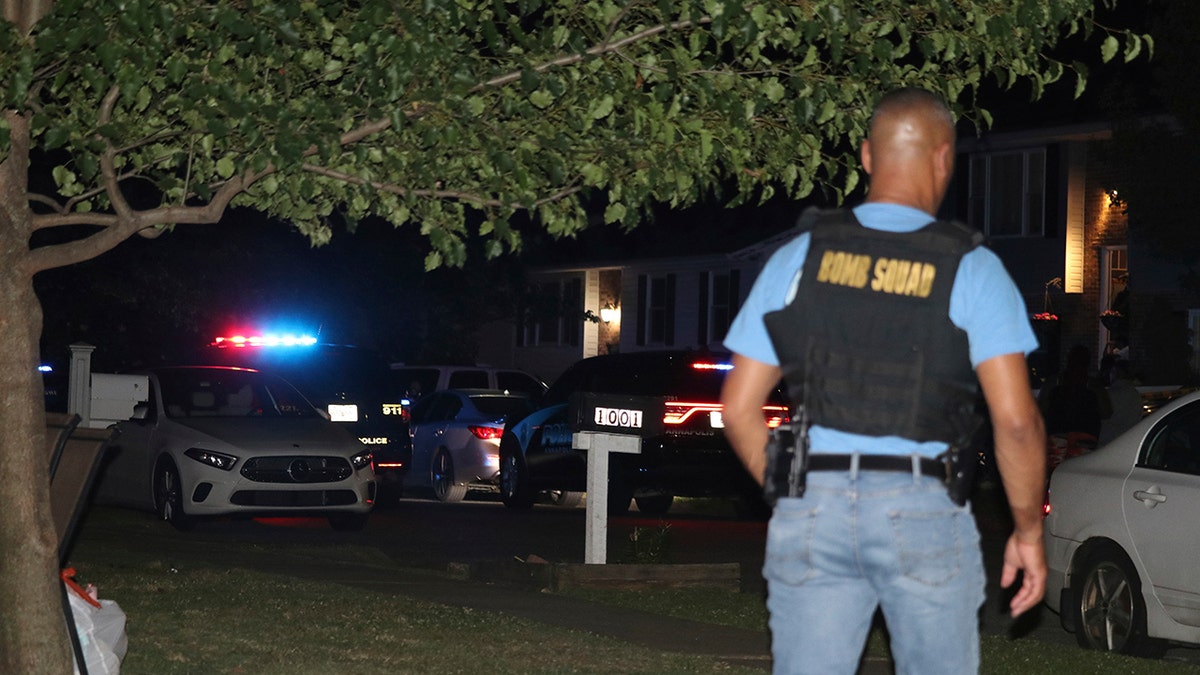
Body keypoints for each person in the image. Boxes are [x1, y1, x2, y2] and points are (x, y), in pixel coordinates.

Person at [720, 88, 1047, 675]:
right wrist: (1028, 530)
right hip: (920, 507)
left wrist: (788, 492)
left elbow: (738, 407)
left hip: (811, 504)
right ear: (945, 158)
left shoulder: (800, 255)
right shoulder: (971, 267)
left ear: (868, 156)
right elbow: (1017, 421)